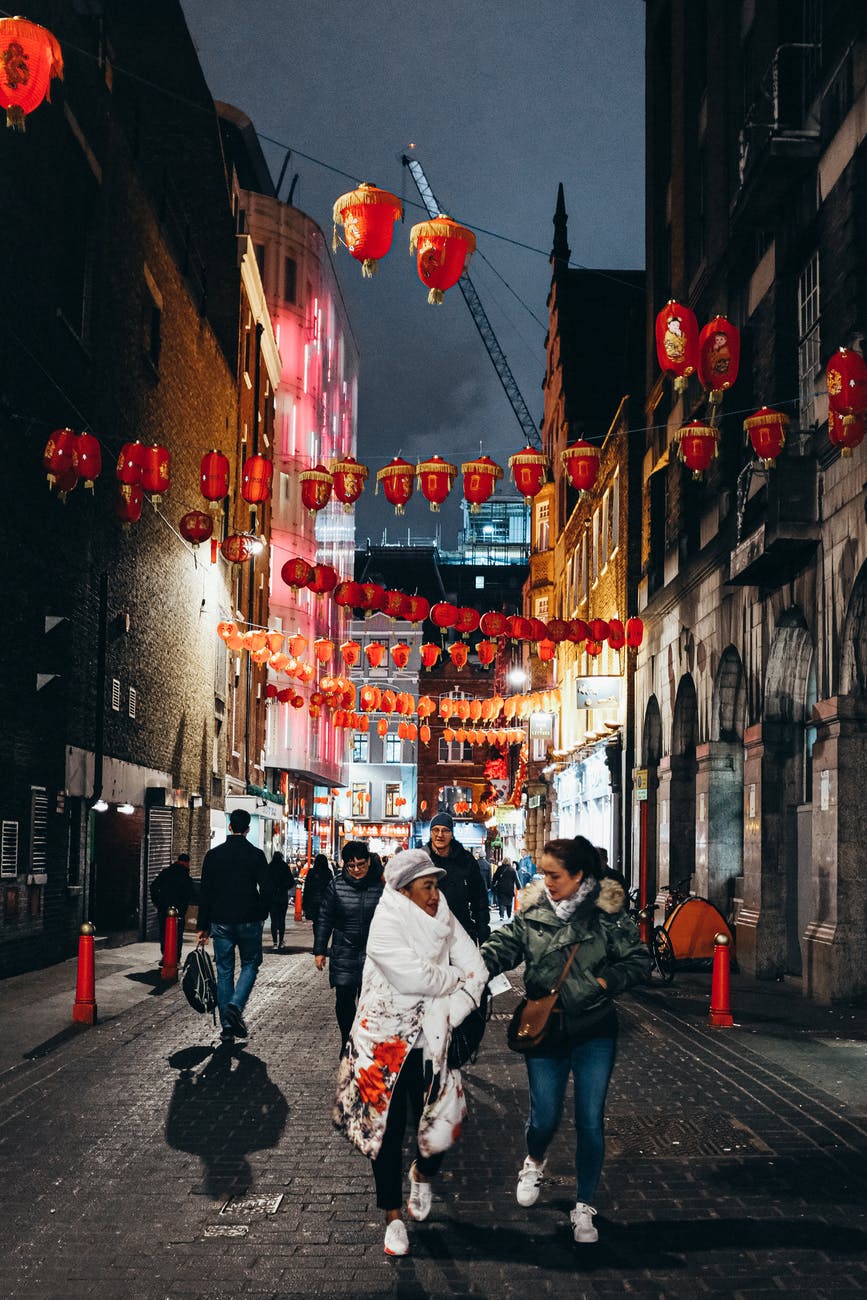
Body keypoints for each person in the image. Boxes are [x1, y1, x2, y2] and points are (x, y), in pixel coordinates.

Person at [481, 836, 650, 1246]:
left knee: (591, 1119)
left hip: (594, 1028)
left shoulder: (607, 916)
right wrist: (470, 968)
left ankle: (584, 1206)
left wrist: (607, 981)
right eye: (543, 874)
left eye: (554, 875)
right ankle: (534, 1160)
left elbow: (640, 959)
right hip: (547, 1029)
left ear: (578, 876)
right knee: (545, 1117)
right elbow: (502, 947)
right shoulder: (533, 914)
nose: (546, 881)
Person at [334, 848, 487, 1258]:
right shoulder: (385, 922)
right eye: (427, 887)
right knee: (386, 1128)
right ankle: (392, 1217)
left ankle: (423, 1171)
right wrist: (452, 977)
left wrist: (451, 1011)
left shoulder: (444, 916)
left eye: (436, 886)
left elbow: (479, 971)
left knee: (441, 1125)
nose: (436, 895)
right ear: (404, 891)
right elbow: (413, 976)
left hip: (431, 1038)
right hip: (383, 1041)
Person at [196, 809, 272, 1045]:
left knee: (225, 971)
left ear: (230, 827)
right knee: (250, 963)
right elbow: (267, 888)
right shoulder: (256, 855)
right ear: (247, 829)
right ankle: (235, 1006)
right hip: (249, 919)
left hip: (220, 921)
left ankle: (228, 1028)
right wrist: (261, 913)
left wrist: (203, 925)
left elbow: (205, 892)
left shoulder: (213, 855)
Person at [314, 841, 384, 1049]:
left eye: (360, 865)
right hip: (344, 950)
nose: (356, 870)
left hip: (374, 954)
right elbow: (324, 918)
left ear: (369, 862)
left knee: (370, 1002)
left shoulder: (380, 886)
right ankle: (348, 1039)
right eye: (351, 866)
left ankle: (365, 1042)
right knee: (344, 1000)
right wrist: (319, 950)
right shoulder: (337, 886)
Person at [424, 813, 490, 943]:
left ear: (452, 834)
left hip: (461, 931)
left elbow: (479, 897)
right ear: (431, 833)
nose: (440, 835)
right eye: (436, 830)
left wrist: (483, 931)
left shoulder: (465, 860)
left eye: (445, 830)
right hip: (429, 934)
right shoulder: (421, 859)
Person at [150, 852, 194, 963]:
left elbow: (153, 886)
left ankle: (165, 954)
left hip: (163, 908)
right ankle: (176, 958)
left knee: (164, 933)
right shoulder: (186, 877)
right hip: (179, 911)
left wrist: (157, 901)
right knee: (178, 935)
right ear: (186, 863)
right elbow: (190, 894)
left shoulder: (166, 873)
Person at [267, 850, 293, 951]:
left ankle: (274, 942)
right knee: (282, 920)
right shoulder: (284, 867)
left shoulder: (270, 867)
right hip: (282, 896)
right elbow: (291, 881)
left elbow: (266, 882)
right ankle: (281, 941)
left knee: (274, 920)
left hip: (272, 897)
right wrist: (284, 887)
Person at [302, 852, 333, 924]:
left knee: (315, 921)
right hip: (325, 902)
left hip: (312, 901)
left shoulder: (311, 872)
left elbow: (307, 888)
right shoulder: (328, 873)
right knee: (323, 922)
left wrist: (305, 903)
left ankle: (317, 933)